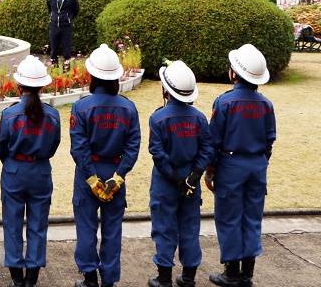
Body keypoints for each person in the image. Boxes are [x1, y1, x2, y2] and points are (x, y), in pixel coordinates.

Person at [205, 44, 276, 287]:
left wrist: (210, 171)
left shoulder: (224, 102)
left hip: (231, 166)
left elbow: (214, 140)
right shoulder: (266, 104)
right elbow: (269, 141)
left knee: (229, 218)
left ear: (235, 73)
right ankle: (247, 274)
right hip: (257, 166)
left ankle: (231, 273)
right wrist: (259, 161)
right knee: (252, 218)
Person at [70, 44, 141, 287]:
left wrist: (91, 179)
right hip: (115, 173)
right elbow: (133, 146)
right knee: (112, 231)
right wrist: (119, 177)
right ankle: (109, 280)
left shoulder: (81, 107)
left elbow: (79, 148)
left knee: (87, 228)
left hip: (88, 174)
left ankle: (89, 278)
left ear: (92, 76)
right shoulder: (129, 107)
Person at [147, 60, 213, 287]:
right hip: (191, 182)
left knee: (164, 228)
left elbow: (157, 152)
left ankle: (163, 278)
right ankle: (188, 278)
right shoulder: (200, 118)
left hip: (166, 182)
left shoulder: (158, 118)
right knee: (190, 228)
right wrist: (193, 177)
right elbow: (206, 150)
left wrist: (174, 179)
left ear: (167, 90)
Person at [0, 55, 61, 287]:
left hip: (15, 169)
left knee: (13, 225)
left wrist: (13, 162)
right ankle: (32, 279)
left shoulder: (9, 114)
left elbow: (2, 147)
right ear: (43, 86)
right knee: (38, 225)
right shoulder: (53, 115)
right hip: (41, 170)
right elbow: (53, 146)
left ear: (18, 86)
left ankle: (17, 279)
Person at [46, 0, 79, 69]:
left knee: (66, 50)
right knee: (54, 50)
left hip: (66, 27)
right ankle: (54, 71)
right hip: (54, 26)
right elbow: (49, 8)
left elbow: (75, 10)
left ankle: (67, 72)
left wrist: (68, 19)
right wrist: (53, 17)